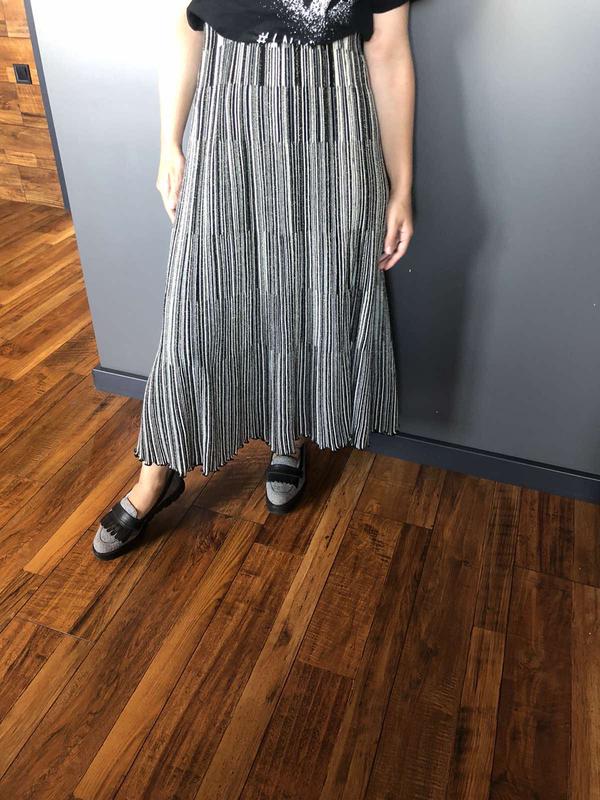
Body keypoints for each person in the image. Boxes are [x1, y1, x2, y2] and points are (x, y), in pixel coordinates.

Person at [92, 0, 417, 559]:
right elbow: (186, 24)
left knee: (307, 294)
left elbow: (387, 49)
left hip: (332, 127)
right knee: (198, 303)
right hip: (229, 124)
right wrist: (169, 141)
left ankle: (287, 434)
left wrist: (401, 185)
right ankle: (157, 472)